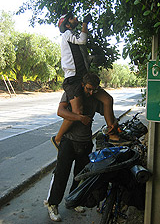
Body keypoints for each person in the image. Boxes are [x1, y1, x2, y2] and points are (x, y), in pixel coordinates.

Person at [44, 73, 122, 222]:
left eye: (94, 90)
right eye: (88, 89)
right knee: (61, 175)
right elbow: (60, 111)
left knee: (80, 176)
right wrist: (79, 117)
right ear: (82, 85)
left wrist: (113, 125)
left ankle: (74, 200)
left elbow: (107, 111)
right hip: (69, 141)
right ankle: (52, 204)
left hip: (86, 142)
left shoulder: (94, 97)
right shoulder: (71, 94)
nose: (91, 92)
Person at [51, 11, 123, 149]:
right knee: (78, 111)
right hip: (73, 79)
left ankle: (112, 133)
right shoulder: (67, 34)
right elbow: (82, 40)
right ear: (67, 25)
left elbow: (83, 55)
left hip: (83, 77)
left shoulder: (74, 40)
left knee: (107, 100)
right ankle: (58, 138)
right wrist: (85, 23)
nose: (75, 18)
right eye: (72, 18)